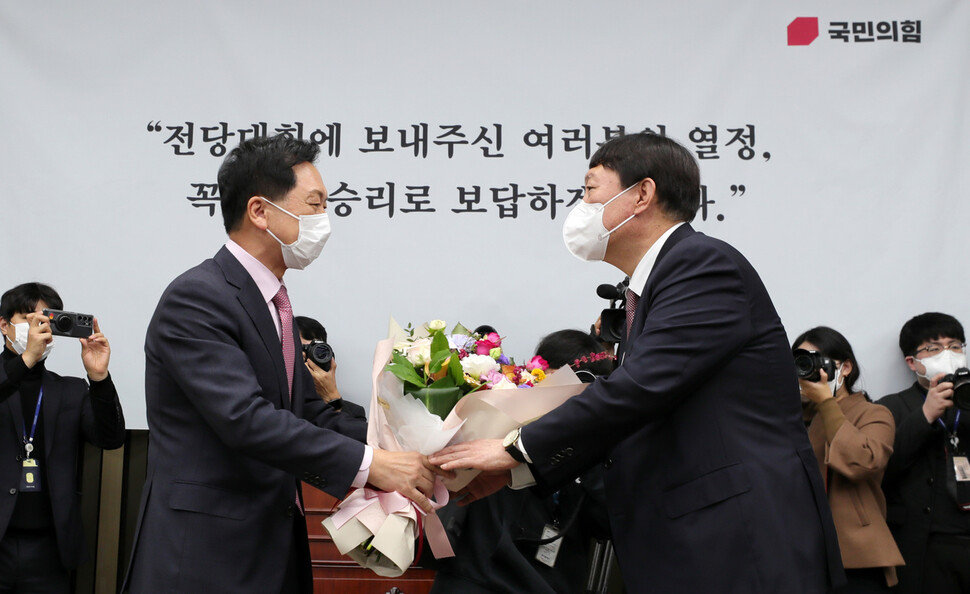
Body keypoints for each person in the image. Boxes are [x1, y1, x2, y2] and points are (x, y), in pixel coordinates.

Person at [430, 132, 844, 593]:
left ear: (641, 194)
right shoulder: (649, 290)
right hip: (694, 541)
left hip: (738, 541)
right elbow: (632, 413)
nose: (580, 206)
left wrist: (516, 447)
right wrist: (519, 471)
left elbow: (640, 388)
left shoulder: (702, 265)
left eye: (590, 189)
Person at [123, 134, 444, 594]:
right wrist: (372, 464)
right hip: (204, 555)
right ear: (260, 211)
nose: (324, 220)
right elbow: (245, 419)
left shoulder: (274, 302)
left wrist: (419, 448)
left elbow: (306, 415)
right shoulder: (198, 298)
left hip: (266, 550)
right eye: (314, 204)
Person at [430, 329, 612, 594]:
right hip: (478, 579)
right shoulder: (497, 412)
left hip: (552, 583)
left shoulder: (595, 444)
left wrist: (593, 442)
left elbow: (606, 523)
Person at [0, 282, 125, 593]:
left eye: (46, 321)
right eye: (30, 320)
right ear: (4, 325)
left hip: (49, 549)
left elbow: (110, 439)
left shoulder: (69, 390)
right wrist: (25, 359)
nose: (39, 329)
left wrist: (99, 379)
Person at [794, 326, 903, 591]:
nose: (809, 372)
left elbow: (863, 462)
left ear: (845, 368)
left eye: (816, 361)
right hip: (801, 553)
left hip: (855, 557)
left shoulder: (873, 413)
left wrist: (826, 404)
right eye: (801, 363)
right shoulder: (790, 421)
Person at [880, 313, 970, 594]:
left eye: (955, 346)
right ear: (912, 362)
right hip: (925, 543)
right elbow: (882, 469)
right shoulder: (890, 406)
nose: (948, 354)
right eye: (933, 348)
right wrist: (926, 415)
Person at [294, 315, 366, 421]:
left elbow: (351, 435)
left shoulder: (354, 412)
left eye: (316, 351)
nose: (308, 359)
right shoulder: (272, 405)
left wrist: (332, 398)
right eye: (299, 350)